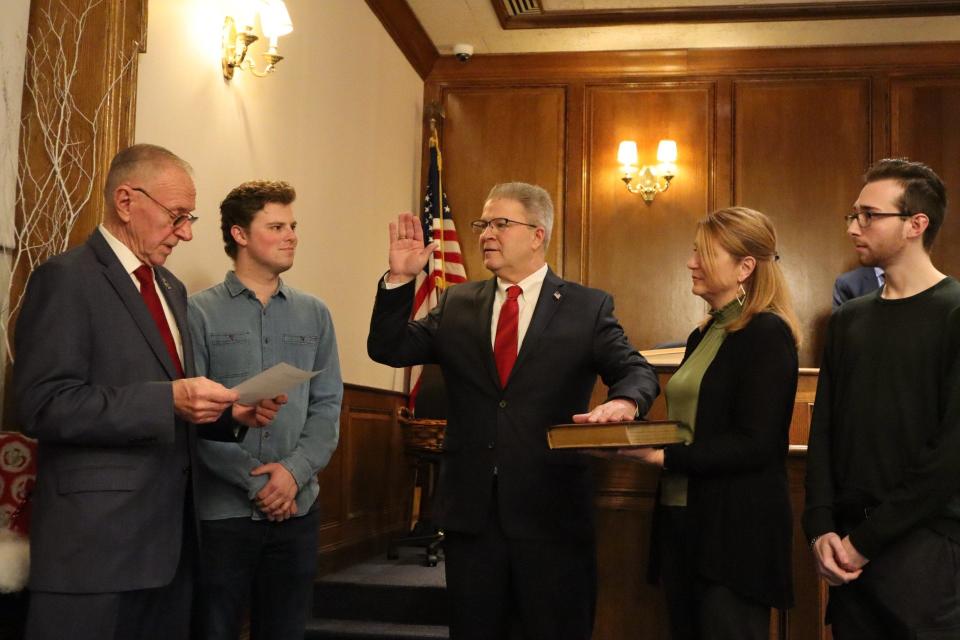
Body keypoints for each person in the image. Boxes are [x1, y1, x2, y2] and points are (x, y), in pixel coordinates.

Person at [13, 144, 284, 640]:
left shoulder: (171, 288)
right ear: (125, 201)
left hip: (172, 546)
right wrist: (167, 400)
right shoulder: (66, 279)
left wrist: (231, 414)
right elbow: (41, 404)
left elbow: (178, 399)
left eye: (189, 217)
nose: (186, 231)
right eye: (177, 216)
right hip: (93, 550)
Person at [367, 182, 660, 640]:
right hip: (472, 515)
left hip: (552, 513)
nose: (486, 233)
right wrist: (401, 279)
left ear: (537, 234)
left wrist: (623, 402)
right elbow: (388, 348)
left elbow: (636, 371)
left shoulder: (586, 306)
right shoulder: (459, 302)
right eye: (483, 224)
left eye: (501, 223)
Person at [619, 207, 800, 639]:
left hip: (734, 535)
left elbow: (757, 443)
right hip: (684, 523)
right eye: (692, 252)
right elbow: (691, 423)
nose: (690, 262)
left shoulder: (766, 333)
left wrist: (660, 456)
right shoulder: (706, 333)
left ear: (745, 267)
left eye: (703, 254)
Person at [803, 158, 960, 639]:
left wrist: (863, 542)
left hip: (925, 548)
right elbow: (825, 429)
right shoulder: (850, 318)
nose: (855, 226)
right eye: (853, 214)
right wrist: (821, 527)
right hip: (847, 551)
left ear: (916, 224)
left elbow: (950, 455)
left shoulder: (954, 312)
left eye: (870, 215)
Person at [189, 180, 343, 640]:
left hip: (298, 508)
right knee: (212, 629)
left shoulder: (315, 314)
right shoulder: (196, 313)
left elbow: (328, 404)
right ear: (239, 234)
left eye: (292, 226)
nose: (291, 235)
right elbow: (192, 416)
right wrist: (258, 483)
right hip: (224, 513)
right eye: (276, 226)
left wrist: (292, 474)